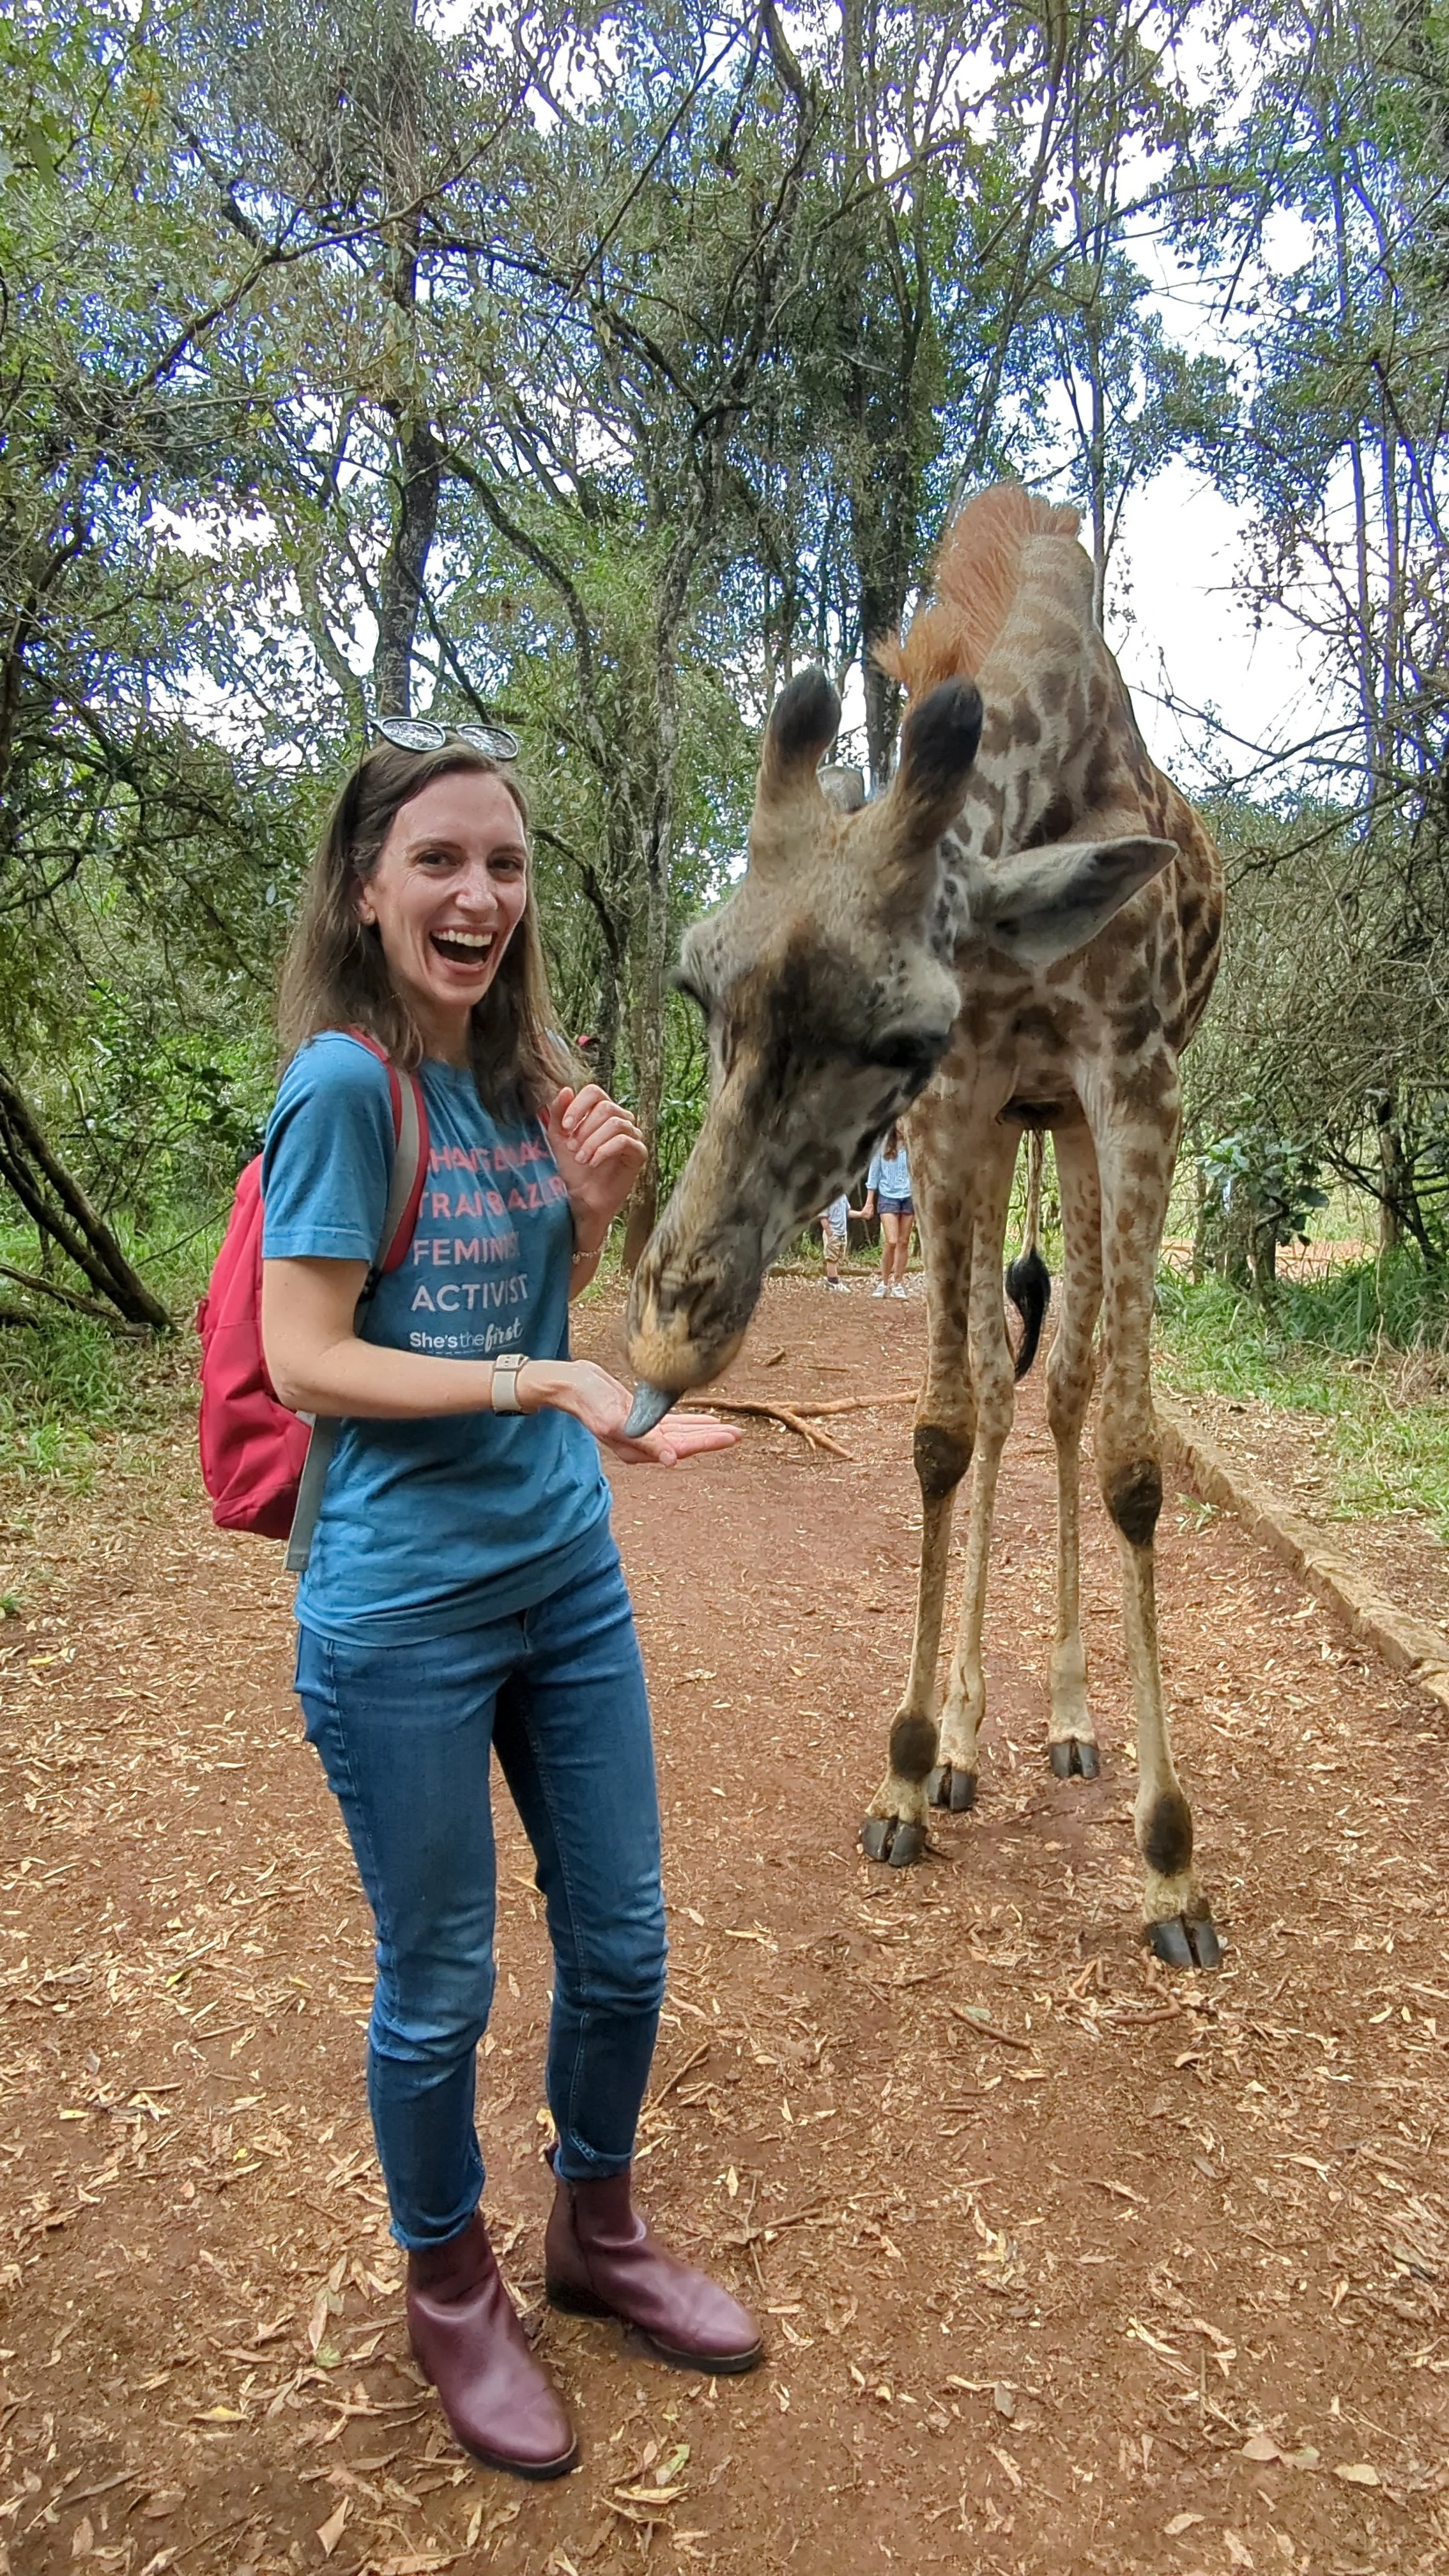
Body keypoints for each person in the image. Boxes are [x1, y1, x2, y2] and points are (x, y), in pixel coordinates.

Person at [259, 732, 762, 2483]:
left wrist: (589, 1213)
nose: (479, 896)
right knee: (441, 1983)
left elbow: (522, 1313)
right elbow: (305, 1356)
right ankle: (453, 2291)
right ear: (365, 887)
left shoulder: (527, 1075)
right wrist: (525, 1390)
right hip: (400, 1609)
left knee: (623, 1940)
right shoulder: (341, 1088)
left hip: (565, 1576)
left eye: (507, 866)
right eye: (440, 863)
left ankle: (595, 2233)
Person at [864, 1125, 914, 1299]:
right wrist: (869, 1202)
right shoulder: (883, 1143)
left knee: (903, 1241)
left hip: (909, 1196)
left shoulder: (913, 1143)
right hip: (887, 1196)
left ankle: (898, 1283)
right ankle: (884, 1282)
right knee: (891, 1241)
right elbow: (874, 1172)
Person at [818, 1191, 852, 1290]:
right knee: (831, 1259)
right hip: (833, 1233)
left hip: (842, 1233)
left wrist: (862, 1214)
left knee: (837, 1257)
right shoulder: (827, 1197)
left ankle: (832, 1278)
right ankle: (833, 1282)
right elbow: (822, 1216)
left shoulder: (843, 1196)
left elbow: (848, 1212)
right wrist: (829, 1232)